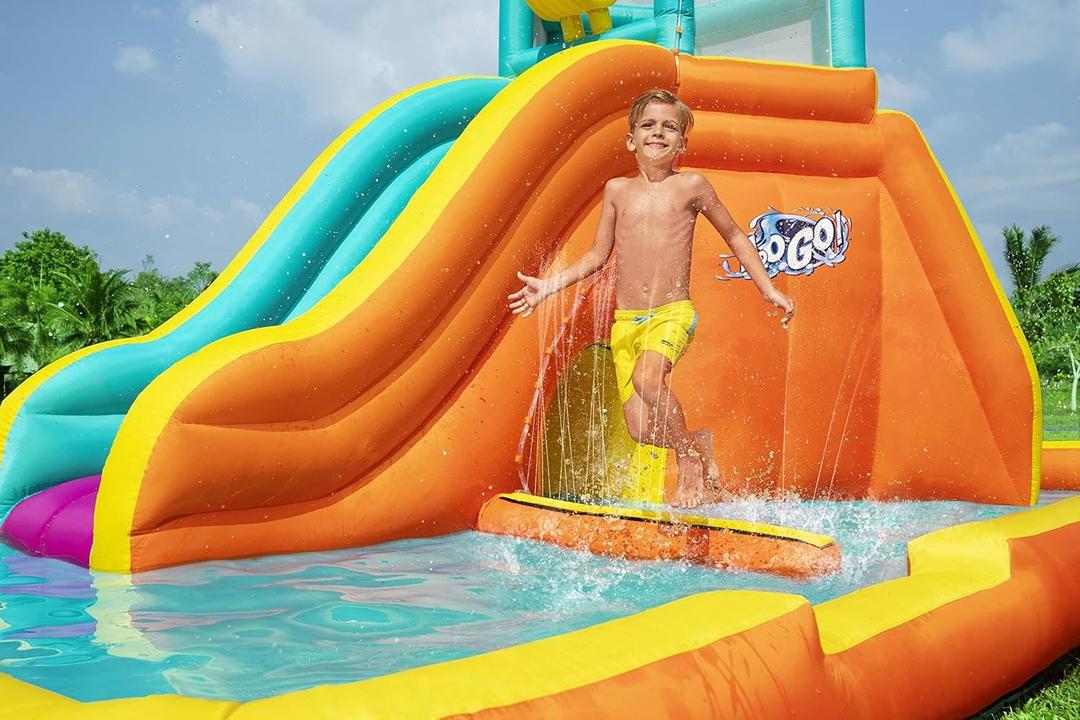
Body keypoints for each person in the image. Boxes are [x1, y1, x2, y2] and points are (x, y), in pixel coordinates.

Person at [508, 89, 794, 507]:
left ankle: (688, 460)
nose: (658, 133)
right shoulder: (616, 191)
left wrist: (768, 288)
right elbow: (597, 255)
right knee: (640, 430)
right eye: (648, 125)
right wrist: (548, 286)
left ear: (682, 143)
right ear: (631, 139)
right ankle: (697, 441)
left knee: (648, 380)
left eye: (669, 127)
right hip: (626, 323)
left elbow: (734, 234)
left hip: (671, 313)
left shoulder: (691, 186)